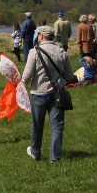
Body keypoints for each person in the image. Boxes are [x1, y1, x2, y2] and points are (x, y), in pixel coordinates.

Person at [22, 25, 74, 162]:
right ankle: (54, 158)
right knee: (57, 126)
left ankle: (35, 152)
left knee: (37, 125)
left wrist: (20, 85)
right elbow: (69, 76)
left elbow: (26, 76)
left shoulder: (34, 52)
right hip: (57, 93)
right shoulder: (62, 51)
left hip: (38, 93)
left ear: (41, 36)